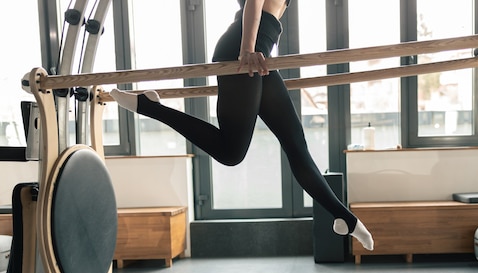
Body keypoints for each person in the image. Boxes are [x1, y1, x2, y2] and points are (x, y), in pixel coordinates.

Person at [110, 0, 374, 251]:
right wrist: (247, 50)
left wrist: (252, 50)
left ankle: (345, 219)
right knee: (231, 153)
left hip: (257, 57)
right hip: (246, 56)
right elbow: (253, 3)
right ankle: (148, 107)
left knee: (296, 146)